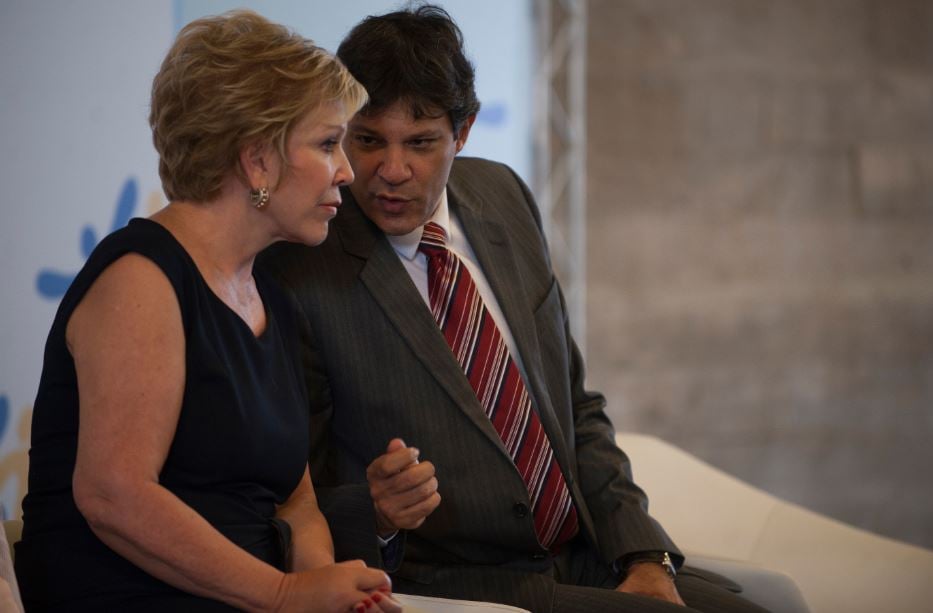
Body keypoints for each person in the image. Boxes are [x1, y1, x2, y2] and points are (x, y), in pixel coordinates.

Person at [258, 5, 776, 613]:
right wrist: (373, 510)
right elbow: (293, 493)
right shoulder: (301, 265)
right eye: (368, 140)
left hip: (584, 555)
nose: (390, 172)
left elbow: (575, 407)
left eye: (420, 143)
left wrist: (643, 555)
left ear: (464, 132)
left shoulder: (501, 194)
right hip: (462, 585)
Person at [15, 10, 402, 613]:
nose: (347, 172)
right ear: (257, 161)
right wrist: (283, 594)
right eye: (328, 144)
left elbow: (296, 505)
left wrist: (328, 592)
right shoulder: (140, 279)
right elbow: (115, 495)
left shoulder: (268, 292)